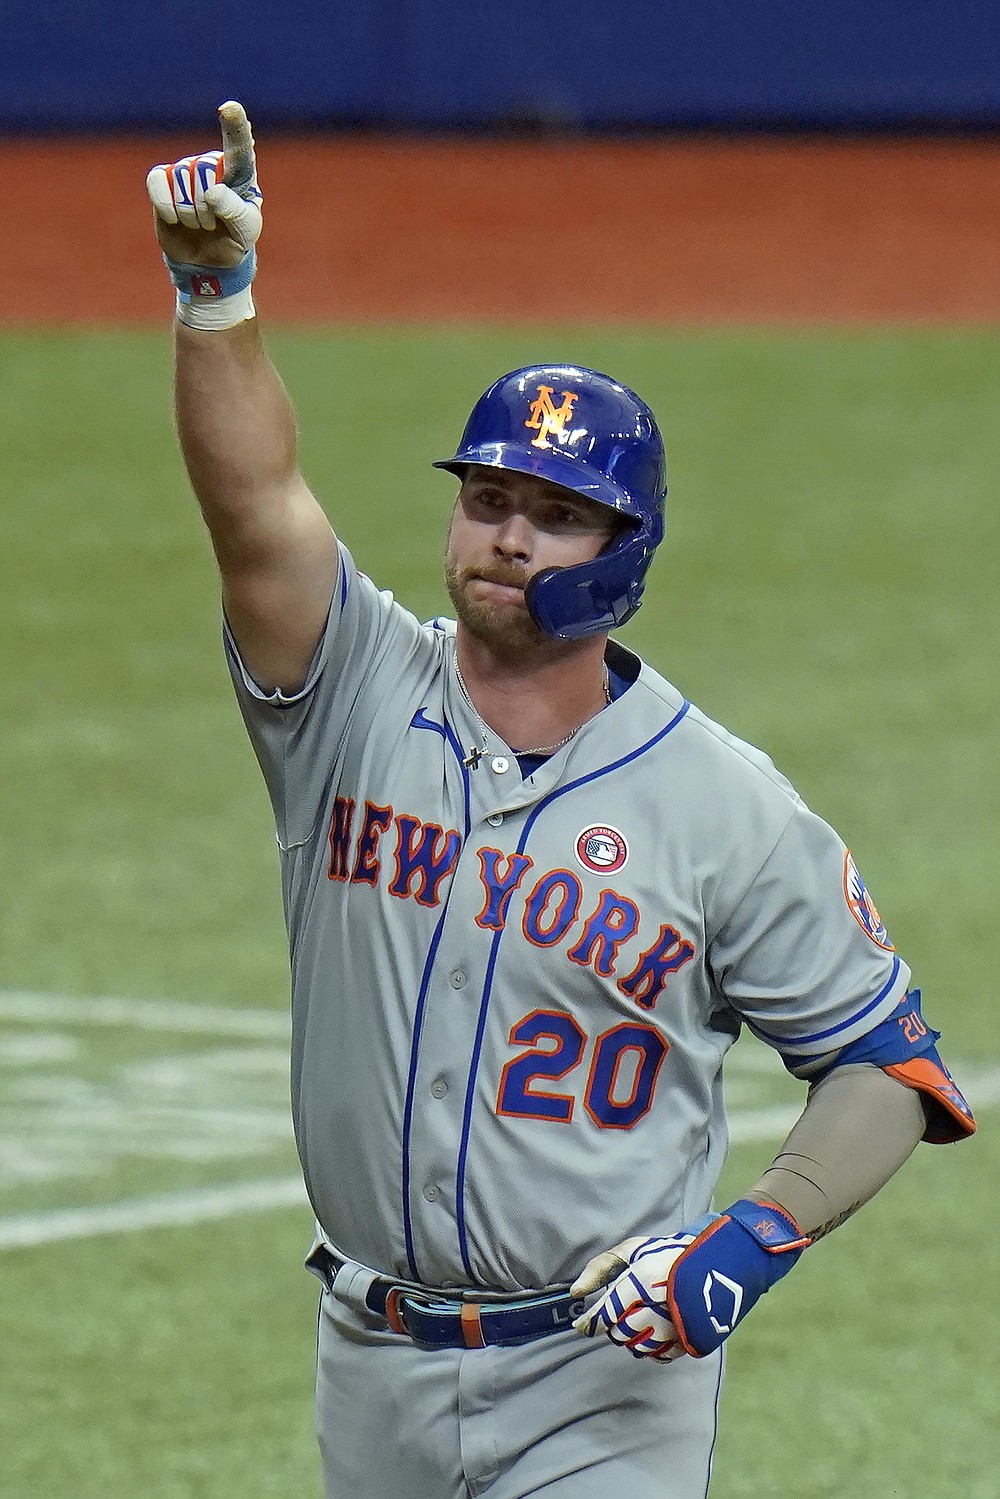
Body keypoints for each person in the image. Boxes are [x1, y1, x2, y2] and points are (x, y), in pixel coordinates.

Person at [146, 104, 975, 1499]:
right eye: (486, 497)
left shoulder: (726, 807)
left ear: (623, 553)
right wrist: (216, 302)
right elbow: (258, 507)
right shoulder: (350, 694)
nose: (506, 533)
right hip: (370, 1357)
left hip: (605, 1387)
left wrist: (745, 1247)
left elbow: (890, 1069)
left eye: (556, 510)